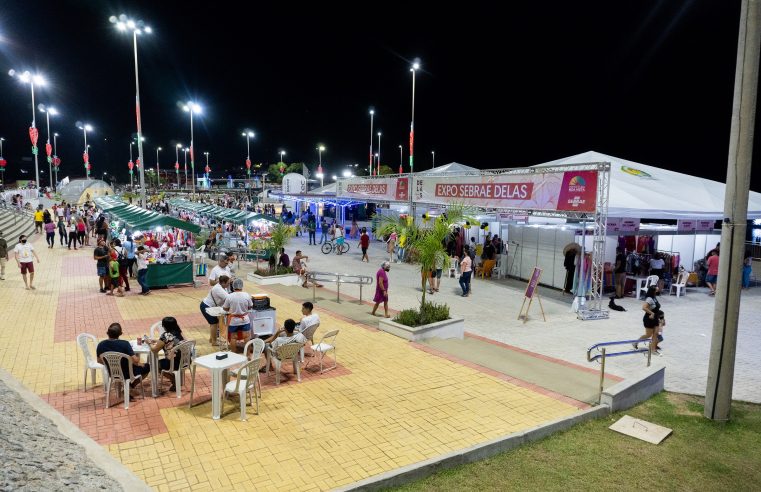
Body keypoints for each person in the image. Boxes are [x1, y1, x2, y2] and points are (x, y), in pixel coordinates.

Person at [96, 323, 150, 395]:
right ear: (120, 333)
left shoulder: (101, 344)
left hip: (112, 373)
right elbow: (135, 360)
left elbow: (99, 361)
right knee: (147, 367)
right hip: (127, 373)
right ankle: (131, 386)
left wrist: (112, 364)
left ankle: (125, 388)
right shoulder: (125, 344)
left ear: (108, 333)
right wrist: (137, 359)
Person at [148, 317, 185, 393]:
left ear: (165, 326)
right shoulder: (178, 332)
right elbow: (171, 340)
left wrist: (148, 343)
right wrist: (157, 341)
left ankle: (174, 380)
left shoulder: (165, 335)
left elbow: (154, 350)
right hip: (185, 361)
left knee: (155, 365)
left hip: (174, 363)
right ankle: (176, 380)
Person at [222, 278, 253, 352]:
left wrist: (231, 309)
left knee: (233, 337)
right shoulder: (246, 295)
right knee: (246, 337)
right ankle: (248, 354)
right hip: (245, 319)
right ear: (242, 286)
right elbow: (250, 306)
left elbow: (225, 308)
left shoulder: (230, 296)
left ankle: (234, 353)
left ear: (233, 286)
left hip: (234, 321)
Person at [634, 286, 663, 355]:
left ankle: (653, 350)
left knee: (655, 334)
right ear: (653, 291)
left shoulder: (654, 297)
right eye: (657, 290)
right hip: (649, 319)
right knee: (648, 335)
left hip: (655, 318)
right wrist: (652, 313)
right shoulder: (649, 299)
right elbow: (644, 307)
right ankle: (635, 342)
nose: (658, 291)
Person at [201, 274, 230, 344]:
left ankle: (212, 339)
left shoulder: (222, 287)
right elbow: (229, 298)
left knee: (214, 324)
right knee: (214, 323)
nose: (229, 284)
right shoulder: (218, 289)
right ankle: (214, 341)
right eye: (228, 283)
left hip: (209, 306)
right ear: (223, 282)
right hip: (206, 306)